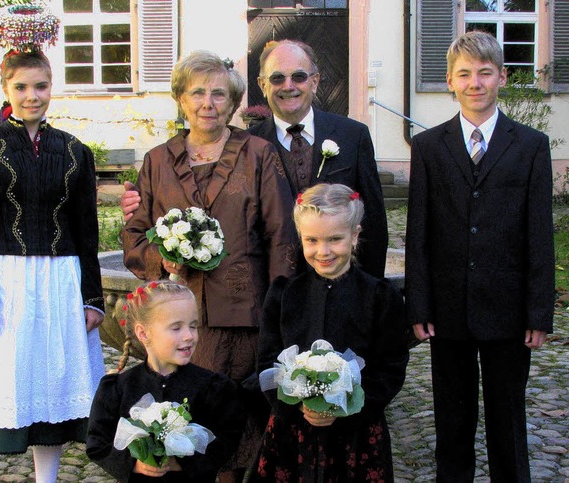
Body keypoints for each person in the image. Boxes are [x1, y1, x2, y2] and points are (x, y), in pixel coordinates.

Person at [121, 50, 298, 483]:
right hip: (176, 315)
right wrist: (162, 258)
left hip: (243, 311)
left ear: (234, 101)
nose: (208, 103)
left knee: (238, 418)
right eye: (197, 92)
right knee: (183, 415)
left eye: (219, 94)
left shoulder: (258, 153)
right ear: (181, 99)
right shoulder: (158, 160)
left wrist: (281, 306)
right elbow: (134, 235)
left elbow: (281, 235)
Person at [0, 50, 105, 482]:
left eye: (41, 86)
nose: (32, 96)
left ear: (52, 87)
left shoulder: (74, 151)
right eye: (21, 87)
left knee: (53, 383)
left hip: (61, 282)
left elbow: (87, 232)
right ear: (6, 90)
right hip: (6, 281)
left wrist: (93, 299)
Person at [405, 31, 555, 482]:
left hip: (508, 309)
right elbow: (419, 233)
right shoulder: (430, 147)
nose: (475, 83)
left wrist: (539, 312)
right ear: (451, 81)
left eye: (485, 73)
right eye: (465, 74)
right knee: (452, 418)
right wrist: (420, 304)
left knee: (508, 420)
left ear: (503, 78)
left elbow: (539, 234)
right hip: (448, 308)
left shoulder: (530, 146)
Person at [122, 39, 388, 279]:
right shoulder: (251, 145)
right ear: (262, 85)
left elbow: (374, 223)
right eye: (276, 78)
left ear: (315, 81)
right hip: (266, 291)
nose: (288, 86)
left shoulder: (353, 135)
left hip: (341, 280)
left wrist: (370, 289)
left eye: (298, 76)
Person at [252, 183, 409, 482]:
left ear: (355, 235)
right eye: (312, 240)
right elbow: (267, 362)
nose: (323, 251)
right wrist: (294, 403)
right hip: (293, 432)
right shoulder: (285, 294)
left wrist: (347, 408)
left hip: (356, 435)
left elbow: (391, 366)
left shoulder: (379, 296)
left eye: (335, 239)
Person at [86, 281, 247, 482]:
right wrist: (133, 463)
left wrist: (185, 463)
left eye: (193, 326)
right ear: (144, 333)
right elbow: (97, 442)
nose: (189, 336)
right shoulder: (120, 388)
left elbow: (228, 439)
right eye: (176, 328)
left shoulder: (212, 388)